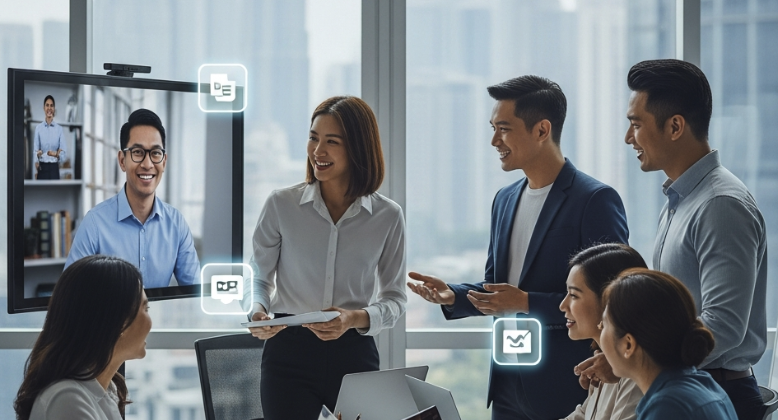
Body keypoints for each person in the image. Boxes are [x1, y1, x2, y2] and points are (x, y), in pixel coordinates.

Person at [407, 75, 629, 420]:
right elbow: (498, 287)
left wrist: (525, 302)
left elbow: (614, 299)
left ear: (542, 130)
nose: (494, 140)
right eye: (493, 128)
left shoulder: (594, 200)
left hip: (566, 385)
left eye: (504, 129)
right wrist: (452, 295)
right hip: (507, 381)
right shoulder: (505, 199)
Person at [578, 59, 768, 420]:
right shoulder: (682, 200)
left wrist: (635, 360)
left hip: (713, 391)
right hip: (685, 386)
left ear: (675, 126)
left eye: (636, 124)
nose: (628, 137)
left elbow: (723, 324)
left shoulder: (720, 205)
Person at [247, 96, 407, 420]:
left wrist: (352, 318)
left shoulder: (388, 217)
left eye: (331, 142)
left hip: (354, 353)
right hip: (288, 353)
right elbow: (259, 277)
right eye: (313, 137)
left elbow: (395, 300)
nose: (318, 151)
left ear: (358, 149)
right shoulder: (281, 205)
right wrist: (258, 308)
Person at [64, 109, 200, 288]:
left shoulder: (176, 224)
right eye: (137, 152)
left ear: (164, 162)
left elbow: (196, 293)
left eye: (155, 153)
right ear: (122, 160)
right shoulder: (95, 224)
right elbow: (68, 297)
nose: (147, 164)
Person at [14, 255, 151, 420]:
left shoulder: (104, 389)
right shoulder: (67, 400)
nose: (150, 322)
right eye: (145, 308)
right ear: (119, 321)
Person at [598, 268, 738, 420]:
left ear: (628, 345)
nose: (599, 329)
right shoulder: (703, 383)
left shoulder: (667, 407)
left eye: (604, 325)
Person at [558, 243, 647, 420]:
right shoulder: (606, 364)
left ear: (610, 300)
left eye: (574, 295)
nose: (562, 306)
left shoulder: (636, 375)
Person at [34, 95, 66, 180]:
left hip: (54, 169)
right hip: (42, 168)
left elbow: (63, 154)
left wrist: (56, 155)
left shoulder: (59, 129)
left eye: (51, 105)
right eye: (47, 105)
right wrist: (37, 156)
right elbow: (35, 151)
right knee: (41, 193)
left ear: (54, 108)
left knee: (55, 193)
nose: (49, 108)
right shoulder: (38, 128)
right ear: (44, 108)